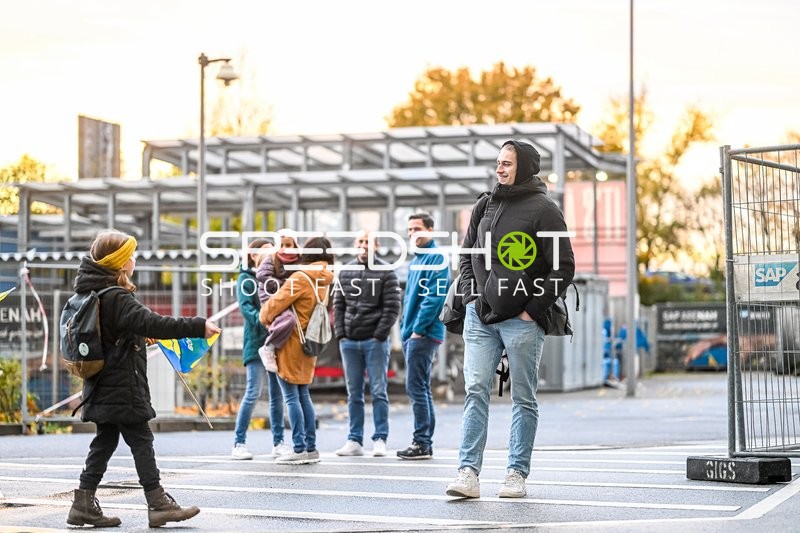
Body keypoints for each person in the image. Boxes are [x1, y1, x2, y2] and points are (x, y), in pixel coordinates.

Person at [445, 140, 575, 499]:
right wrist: (471, 295)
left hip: (522, 321)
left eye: (507, 163)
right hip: (480, 317)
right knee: (475, 390)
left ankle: (516, 473)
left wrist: (531, 311)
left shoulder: (545, 210)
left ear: (526, 167)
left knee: (523, 397)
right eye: (498, 162)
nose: (499, 169)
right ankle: (468, 473)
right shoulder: (485, 204)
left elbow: (563, 268)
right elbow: (468, 255)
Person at [67, 230, 220, 528]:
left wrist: (138, 336)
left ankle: (83, 503)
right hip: (123, 384)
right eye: (131, 254)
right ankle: (157, 502)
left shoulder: (92, 292)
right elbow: (155, 322)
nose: (134, 259)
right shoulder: (117, 297)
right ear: (121, 262)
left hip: (101, 383)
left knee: (105, 440)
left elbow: (117, 334)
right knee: (141, 440)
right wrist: (199, 326)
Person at [260, 236, 335, 465]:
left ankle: (299, 448)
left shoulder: (301, 278)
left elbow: (275, 303)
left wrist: (265, 317)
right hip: (310, 342)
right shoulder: (326, 278)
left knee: (291, 396)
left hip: (291, 341)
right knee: (303, 395)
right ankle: (311, 447)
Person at [333, 230, 401, 457]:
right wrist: (341, 335)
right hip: (349, 342)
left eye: (368, 242)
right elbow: (338, 304)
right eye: (360, 241)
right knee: (354, 394)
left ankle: (380, 439)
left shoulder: (387, 271)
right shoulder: (345, 270)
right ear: (355, 244)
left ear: (376, 246)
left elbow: (392, 307)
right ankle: (354, 440)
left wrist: (379, 335)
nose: (363, 245)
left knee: (379, 391)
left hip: (375, 342)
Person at [231, 239, 291, 460]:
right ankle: (239, 443)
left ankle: (279, 443)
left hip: (277, 343)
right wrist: (268, 322)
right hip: (257, 344)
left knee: (277, 395)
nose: (268, 257)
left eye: (271, 254)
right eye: (264, 253)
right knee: (253, 392)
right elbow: (247, 309)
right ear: (252, 256)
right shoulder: (246, 280)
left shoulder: (276, 279)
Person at [397, 213, 449, 460]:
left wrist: (417, 329)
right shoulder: (419, 258)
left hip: (423, 334)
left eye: (417, 228)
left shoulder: (436, 257)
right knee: (421, 388)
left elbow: (434, 299)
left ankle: (421, 443)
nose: (412, 234)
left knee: (416, 388)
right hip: (414, 333)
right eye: (409, 230)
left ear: (430, 229)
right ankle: (423, 443)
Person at [255, 232, 301, 373]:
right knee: (288, 319)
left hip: (285, 297)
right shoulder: (271, 259)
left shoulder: (298, 261)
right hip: (269, 296)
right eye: (281, 245)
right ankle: (268, 347)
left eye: (288, 245)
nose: (284, 248)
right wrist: (283, 285)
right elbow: (262, 275)